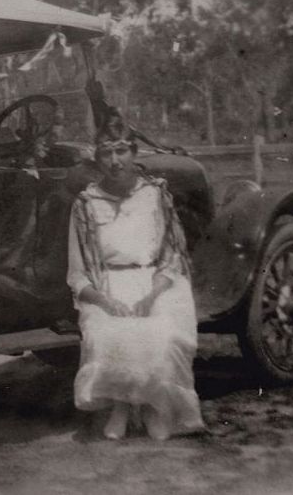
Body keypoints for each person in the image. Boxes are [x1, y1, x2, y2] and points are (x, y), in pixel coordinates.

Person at [67, 115, 205, 440]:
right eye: (106, 154)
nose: (115, 162)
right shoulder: (85, 205)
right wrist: (106, 301)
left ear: (133, 153)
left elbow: (172, 254)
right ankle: (124, 407)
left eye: (121, 152)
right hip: (107, 285)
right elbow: (77, 273)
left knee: (163, 334)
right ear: (97, 158)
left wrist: (151, 295)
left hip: (158, 282)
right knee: (108, 333)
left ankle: (151, 407)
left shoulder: (156, 195)